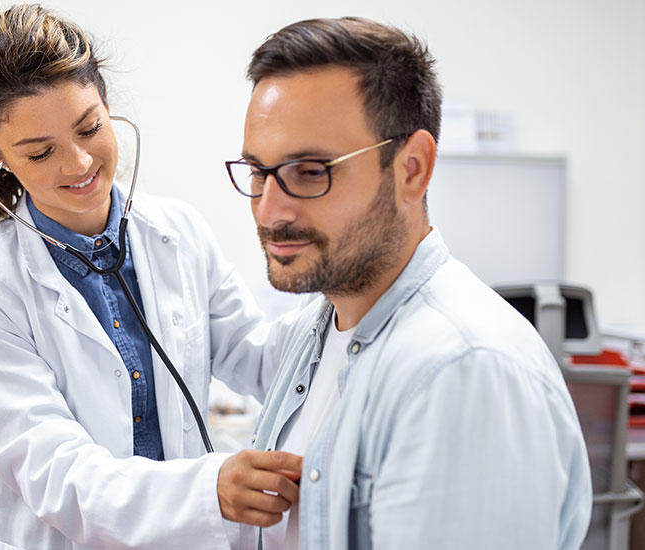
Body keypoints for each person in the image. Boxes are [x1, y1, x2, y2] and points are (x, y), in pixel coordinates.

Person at [225, 17, 593, 549]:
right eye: (259, 171)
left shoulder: (461, 371)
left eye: (310, 171)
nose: (270, 209)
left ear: (412, 168)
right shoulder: (320, 327)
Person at [0, 5, 301, 549]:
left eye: (90, 127)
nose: (79, 162)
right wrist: (207, 491)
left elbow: (257, 357)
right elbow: (58, 473)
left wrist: (345, 292)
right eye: (40, 153)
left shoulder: (177, 231)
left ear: (108, 107)